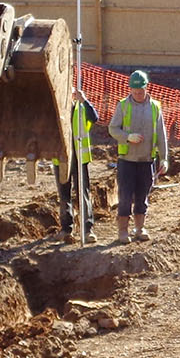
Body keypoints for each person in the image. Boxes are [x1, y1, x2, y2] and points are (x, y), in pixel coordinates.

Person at [107, 69, 169, 244]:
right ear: (130, 89)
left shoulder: (155, 107)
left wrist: (164, 158)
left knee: (143, 196)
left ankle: (140, 228)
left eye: (140, 91)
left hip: (146, 160)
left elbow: (161, 134)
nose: (138, 95)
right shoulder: (123, 106)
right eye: (134, 92)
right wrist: (127, 137)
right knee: (125, 197)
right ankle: (123, 231)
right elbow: (113, 128)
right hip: (127, 160)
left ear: (146, 87)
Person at [56, 90, 99, 243]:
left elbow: (94, 117)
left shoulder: (81, 108)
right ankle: (66, 229)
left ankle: (87, 229)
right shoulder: (56, 108)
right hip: (61, 157)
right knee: (64, 194)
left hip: (80, 157)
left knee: (83, 193)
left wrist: (84, 100)